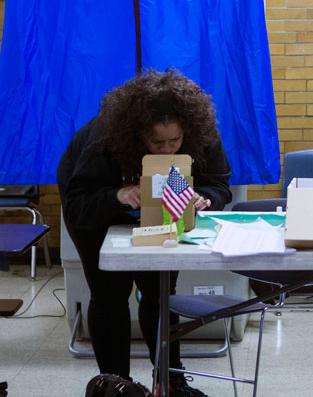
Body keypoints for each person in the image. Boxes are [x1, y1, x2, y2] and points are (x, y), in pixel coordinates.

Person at [58, 68, 232, 397]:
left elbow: (220, 184)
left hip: (160, 211)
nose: (166, 149)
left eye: (174, 141)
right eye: (156, 142)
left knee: (159, 291)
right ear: (138, 134)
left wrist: (206, 198)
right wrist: (116, 196)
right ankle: (114, 385)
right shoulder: (104, 138)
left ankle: (170, 382)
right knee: (109, 293)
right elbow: (79, 204)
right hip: (97, 203)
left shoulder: (202, 134)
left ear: (187, 132)